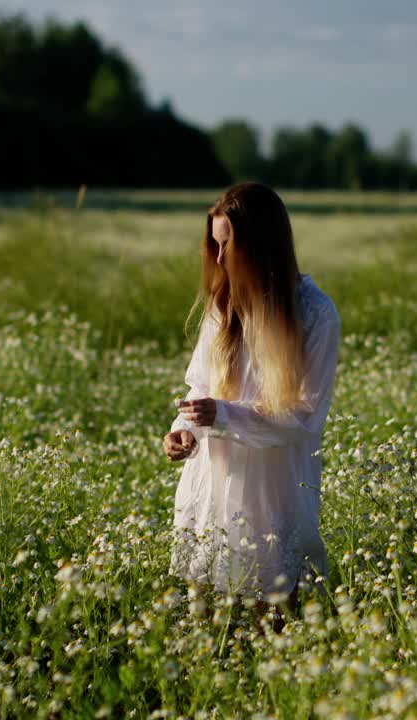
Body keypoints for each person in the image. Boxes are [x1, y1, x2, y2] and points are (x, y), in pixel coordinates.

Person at [163, 182, 341, 622]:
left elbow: (304, 416)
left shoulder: (315, 314)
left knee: (270, 615)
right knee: (205, 615)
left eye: (229, 246)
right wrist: (182, 431)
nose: (219, 259)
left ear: (262, 246)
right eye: (215, 245)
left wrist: (222, 414)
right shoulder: (222, 308)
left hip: (271, 486)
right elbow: (198, 387)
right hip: (213, 475)